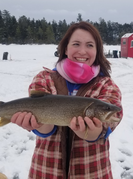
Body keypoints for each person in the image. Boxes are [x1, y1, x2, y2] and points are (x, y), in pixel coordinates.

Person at [11, 21, 123, 179]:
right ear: (65, 48)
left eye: (90, 45)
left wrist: (92, 132)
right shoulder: (44, 79)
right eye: (76, 44)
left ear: (97, 51)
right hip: (45, 172)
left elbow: (109, 123)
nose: (82, 51)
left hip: (93, 172)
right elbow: (46, 128)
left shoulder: (107, 85)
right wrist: (36, 123)